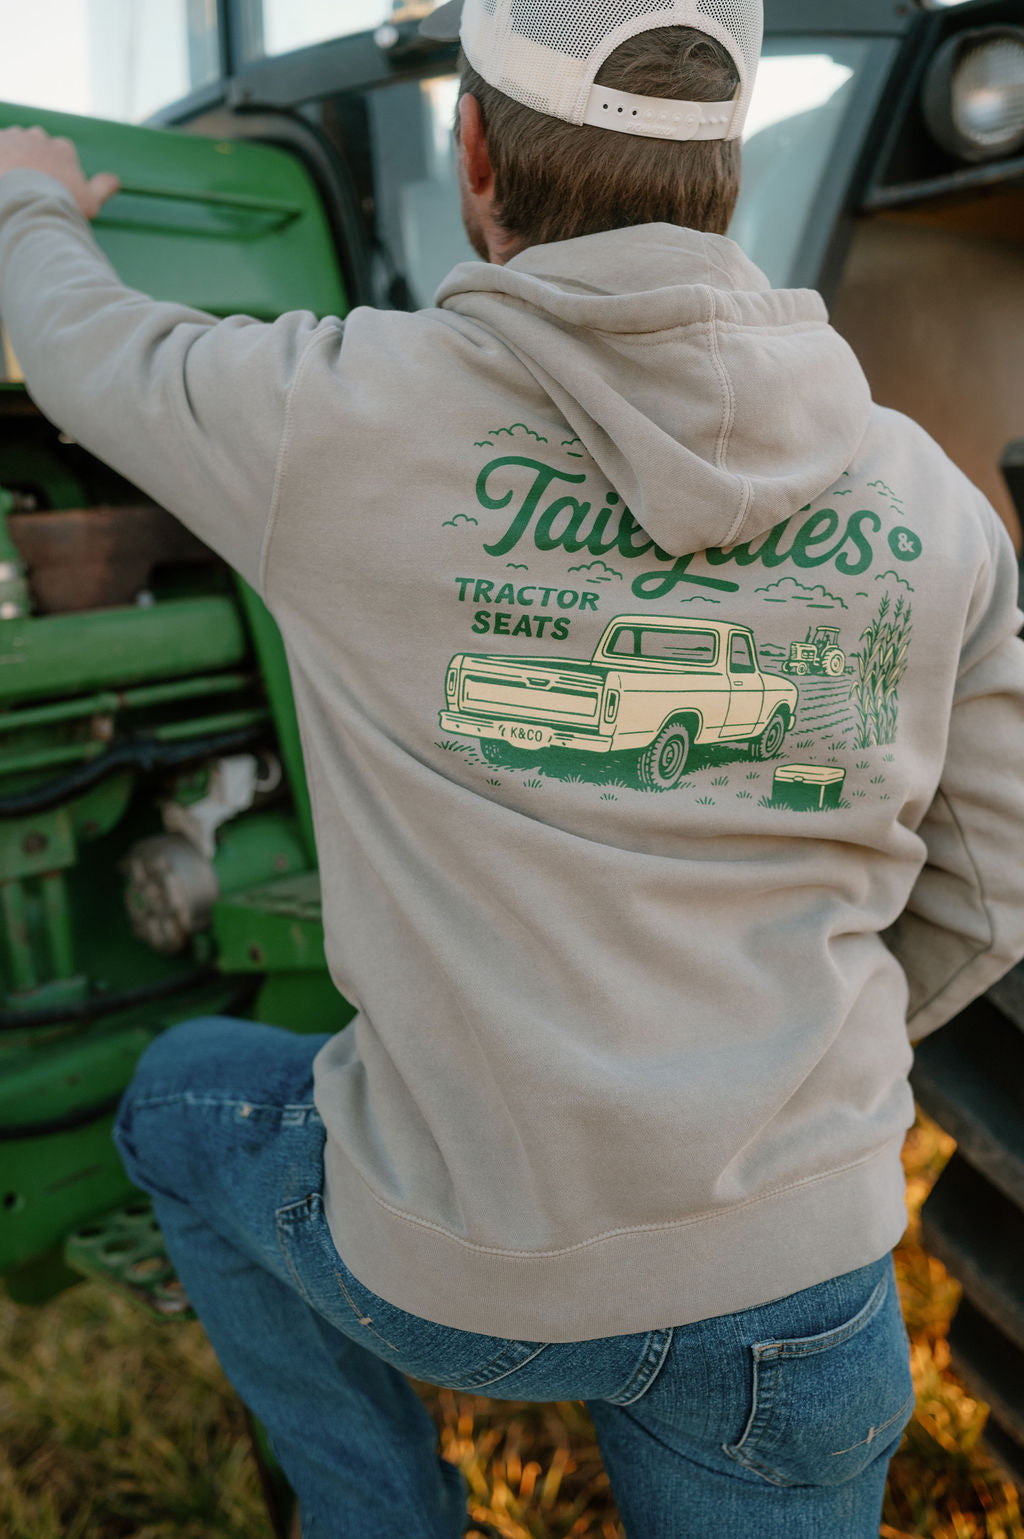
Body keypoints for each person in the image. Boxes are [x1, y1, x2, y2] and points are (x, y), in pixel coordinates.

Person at [1, 1, 1023, 1534]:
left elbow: (85, 355)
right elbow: (996, 890)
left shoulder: (326, 415)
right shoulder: (937, 510)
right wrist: (797, 1064)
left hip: (457, 1263)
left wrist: (30, 196)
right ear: (729, 167)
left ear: (471, 150)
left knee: (176, 1101)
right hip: (798, 1282)